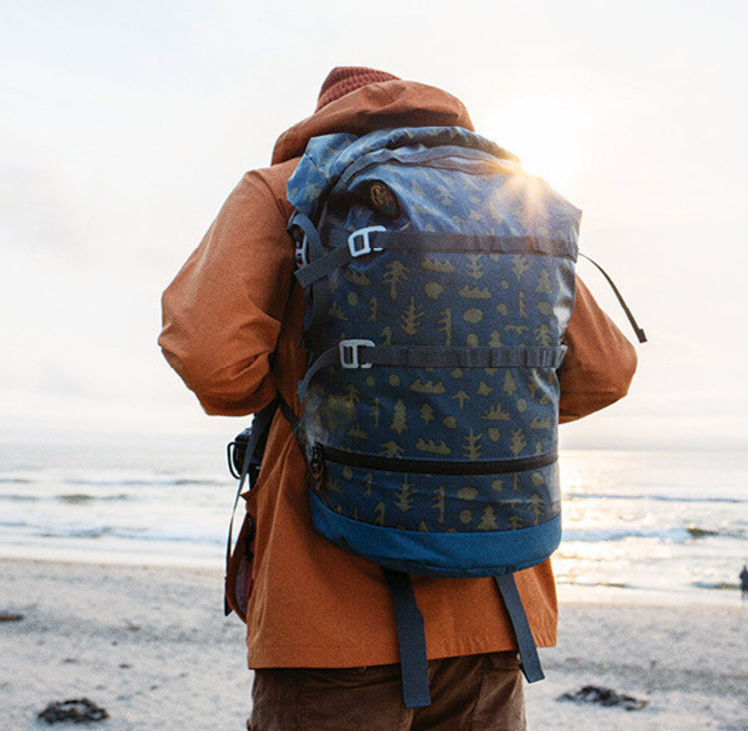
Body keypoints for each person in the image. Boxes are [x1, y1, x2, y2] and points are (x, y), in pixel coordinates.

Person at [159, 66, 639, 730]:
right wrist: (465, 400)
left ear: (324, 117)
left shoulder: (283, 191)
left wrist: (323, 392)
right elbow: (608, 370)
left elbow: (211, 358)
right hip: (492, 616)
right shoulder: (504, 203)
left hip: (326, 617)